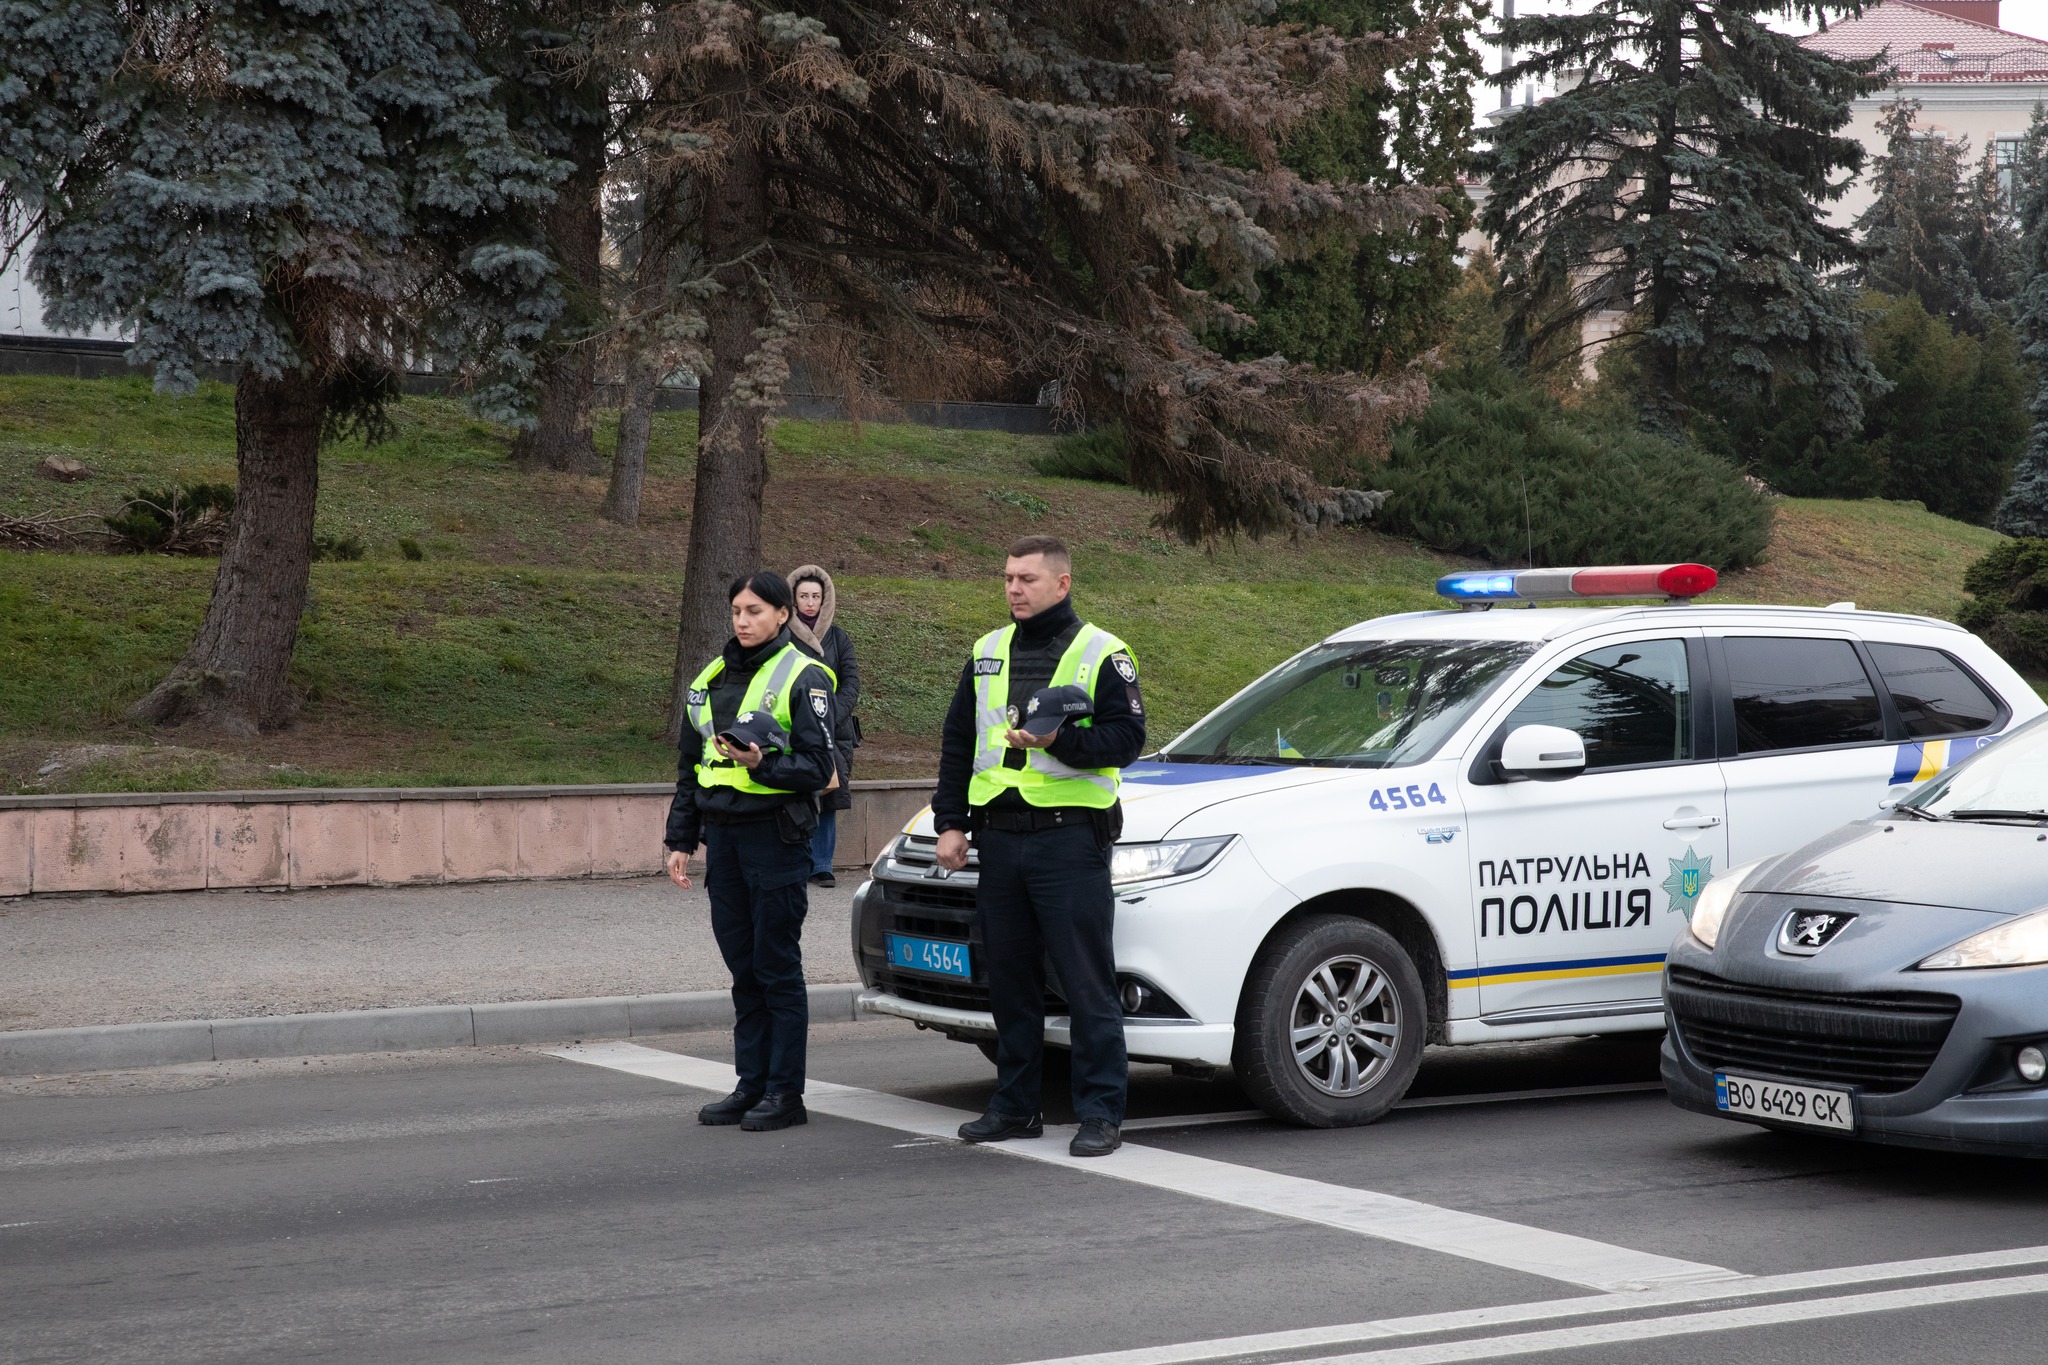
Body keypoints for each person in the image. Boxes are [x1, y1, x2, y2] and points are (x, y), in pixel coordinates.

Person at [932, 535, 1146, 1158]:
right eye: (1008, 578)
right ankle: (1016, 1106)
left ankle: (1100, 1113)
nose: (1014, 589)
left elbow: (1126, 740)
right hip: (999, 839)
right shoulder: (987, 651)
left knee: (1085, 983)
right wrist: (951, 823)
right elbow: (957, 744)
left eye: (1026, 579)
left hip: (1068, 840)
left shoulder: (1102, 652)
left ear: (1062, 583)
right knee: (1010, 983)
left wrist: (1060, 743)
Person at [665, 571, 839, 1133]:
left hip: (776, 837)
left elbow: (820, 768)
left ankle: (785, 1093)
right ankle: (751, 1085)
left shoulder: (804, 675)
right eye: (737, 611)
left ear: (783, 615)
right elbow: (690, 767)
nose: (743, 621)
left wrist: (763, 765)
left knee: (775, 967)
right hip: (724, 840)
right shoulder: (710, 677)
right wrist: (680, 839)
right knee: (744, 969)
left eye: (755, 611)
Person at [786, 564, 859, 888]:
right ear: (793, 598)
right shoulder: (782, 635)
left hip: (833, 729)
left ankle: (822, 864)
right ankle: (795, 862)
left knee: (829, 795)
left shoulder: (838, 637)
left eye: (815, 596)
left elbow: (851, 681)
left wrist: (830, 716)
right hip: (793, 727)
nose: (810, 602)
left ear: (824, 598)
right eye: (804, 596)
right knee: (794, 794)